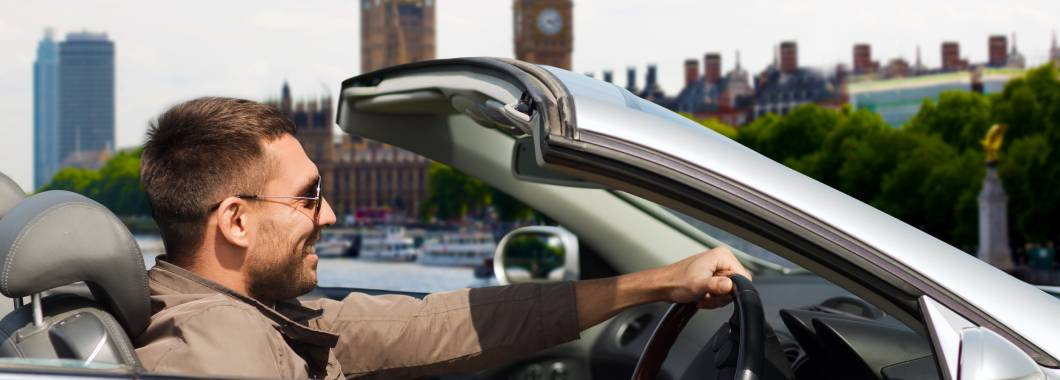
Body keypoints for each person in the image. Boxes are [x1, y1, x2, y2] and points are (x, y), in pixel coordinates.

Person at [133, 97, 751, 379]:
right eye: (308, 197)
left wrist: (657, 283)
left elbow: (437, 323)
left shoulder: (264, 316)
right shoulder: (215, 346)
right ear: (237, 221)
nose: (331, 217)